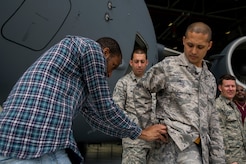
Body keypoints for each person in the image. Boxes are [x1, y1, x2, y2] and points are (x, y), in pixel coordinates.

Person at [0, 35, 167, 164]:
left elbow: (97, 120)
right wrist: (141, 132)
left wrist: (136, 134)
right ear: (105, 52)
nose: (109, 74)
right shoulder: (91, 48)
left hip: (48, 142)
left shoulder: (78, 81)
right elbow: (104, 106)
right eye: (113, 66)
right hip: (21, 140)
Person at [134, 22, 225, 163]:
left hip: (195, 148)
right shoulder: (168, 67)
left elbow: (212, 121)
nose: (193, 51)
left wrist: (218, 159)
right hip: (166, 148)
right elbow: (141, 89)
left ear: (209, 45)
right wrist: (148, 127)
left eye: (200, 47)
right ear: (183, 41)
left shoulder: (209, 79)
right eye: (190, 45)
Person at [113, 47, 155, 163]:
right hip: (134, 144)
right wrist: (141, 124)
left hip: (154, 145)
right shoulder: (123, 83)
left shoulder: (154, 84)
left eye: (142, 61)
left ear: (147, 62)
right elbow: (117, 112)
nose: (139, 65)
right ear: (131, 63)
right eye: (136, 61)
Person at [215, 74, 246, 164]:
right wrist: (230, 160)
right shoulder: (218, 106)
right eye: (227, 86)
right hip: (231, 159)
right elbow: (220, 135)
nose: (231, 89)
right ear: (220, 88)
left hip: (241, 156)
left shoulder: (233, 106)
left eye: (233, 86)